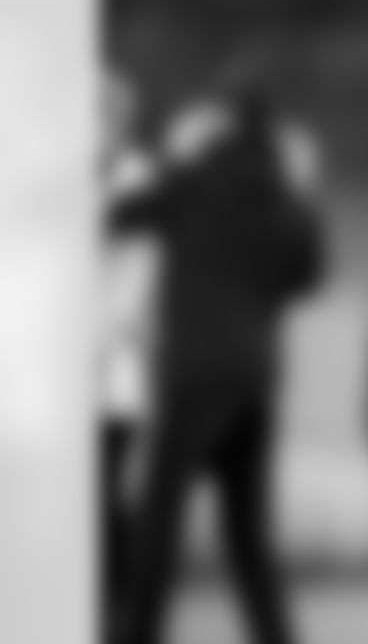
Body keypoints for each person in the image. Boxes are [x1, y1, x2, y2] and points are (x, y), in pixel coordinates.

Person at [110, 88, 326, 644]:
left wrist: (173, 154)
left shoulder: (195, 178)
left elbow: (121, 214)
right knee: (249, 538)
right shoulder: (279, 193)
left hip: (193, 377)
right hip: (254, 381)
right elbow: (307, 274)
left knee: (159, 525)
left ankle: (137, 634)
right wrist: (306, 191)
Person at [100, 71, 161, 625]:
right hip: (62, 382)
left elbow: (136, 287)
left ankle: (122, 611)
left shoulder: (140, 181)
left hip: (113, 374)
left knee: (103, 498)